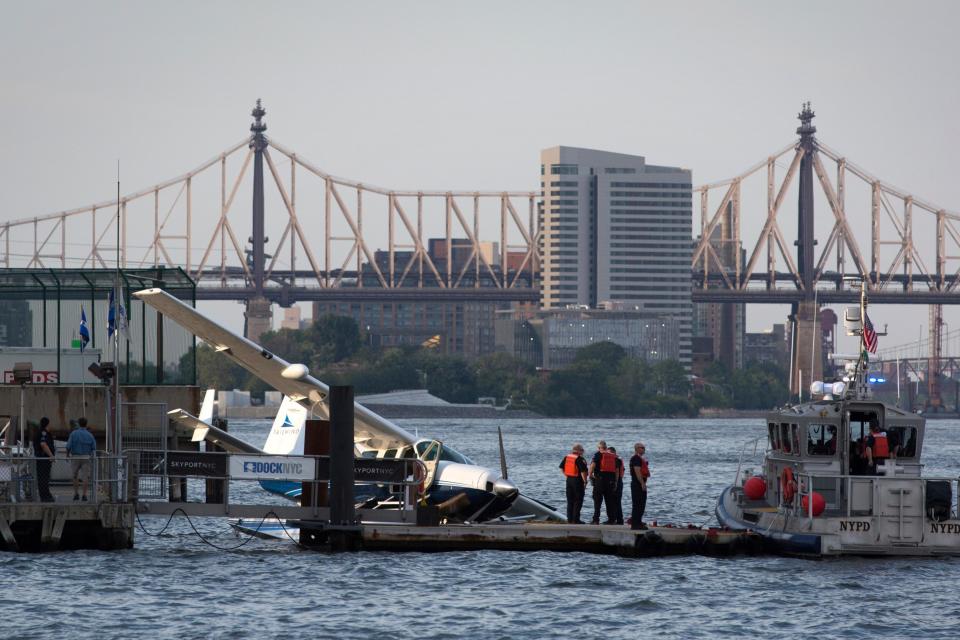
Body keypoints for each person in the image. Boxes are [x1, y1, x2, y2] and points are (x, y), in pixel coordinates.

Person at [66, 417, 97, 502]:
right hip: (86, 457)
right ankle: (84, 495)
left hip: (75, 456)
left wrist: (67, 455)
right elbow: (94, 447)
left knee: (75, 476)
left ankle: (76, 494)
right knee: (85, 477)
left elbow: (68, 446)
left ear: (79, 423)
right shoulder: (90, 435)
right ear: (86, 424)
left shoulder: (73, 433)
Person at [588, 440, 618, 524]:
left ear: (599, 448)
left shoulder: (598, 454)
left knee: (597, 501)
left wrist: (590, 475)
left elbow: (593, 465)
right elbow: (616, 470)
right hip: (611, 481)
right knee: (609, 501)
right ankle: (611, 520)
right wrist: (615, 481)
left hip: (600, 480)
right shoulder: (613, 456)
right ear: (606, 447)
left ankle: (596, 520)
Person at [559, 443, 588, 524]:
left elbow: (561, 468)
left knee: (570, 500)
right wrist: (585, 481)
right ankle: (576, 520)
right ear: (578, 450)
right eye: (582, 450)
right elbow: (583, 472)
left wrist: (567, 475)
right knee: (578, 501)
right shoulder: (579, 459)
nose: (583, 451)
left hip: (569, 480)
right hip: (578, 481)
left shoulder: (567, 457)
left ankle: (569, 519)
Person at [34, 416, 56, 502]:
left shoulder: (42, 432)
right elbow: (43, 444)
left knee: (44, 478)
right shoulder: (43, 433)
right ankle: (45, 496)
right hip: (43, 459)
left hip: (43, 459)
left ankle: (46, 495)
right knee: (43, 478)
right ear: (47, 424)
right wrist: (51, 455)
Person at [630, 442, 650, 529]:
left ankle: (638, 522)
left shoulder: (639, 458)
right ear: (637, 448)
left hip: (639, 484)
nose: (644, 449)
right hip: (637, 484)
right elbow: (637, 471)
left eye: (644, 448)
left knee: (641, 504)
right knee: (638, 504)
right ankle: (635, 524)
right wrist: (642, 483)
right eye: (642, 447)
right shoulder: (636, 458)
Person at [608, 446, 625, 525]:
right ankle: (615, 519)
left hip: (617, 482)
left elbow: (617, 472)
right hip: (617, 481)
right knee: (614, 502)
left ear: (614, 452)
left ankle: (618, 520)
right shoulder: (618, 459)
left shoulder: (616, 460)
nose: (608, 455)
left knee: (616, 502)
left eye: (609, 453)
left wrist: (615, 483)